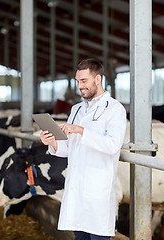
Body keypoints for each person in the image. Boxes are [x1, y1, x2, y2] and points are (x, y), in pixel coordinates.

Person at [40, 58, 127, 240]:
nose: (80, 86)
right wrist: (53, 143)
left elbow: (112, 146)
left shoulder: (114, 109)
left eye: (84, 81)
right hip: (76, 190)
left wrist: (80, 130)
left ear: (98, 79)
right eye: (77, 81)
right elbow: (71, 148)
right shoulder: (77, 109)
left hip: (98, 192)